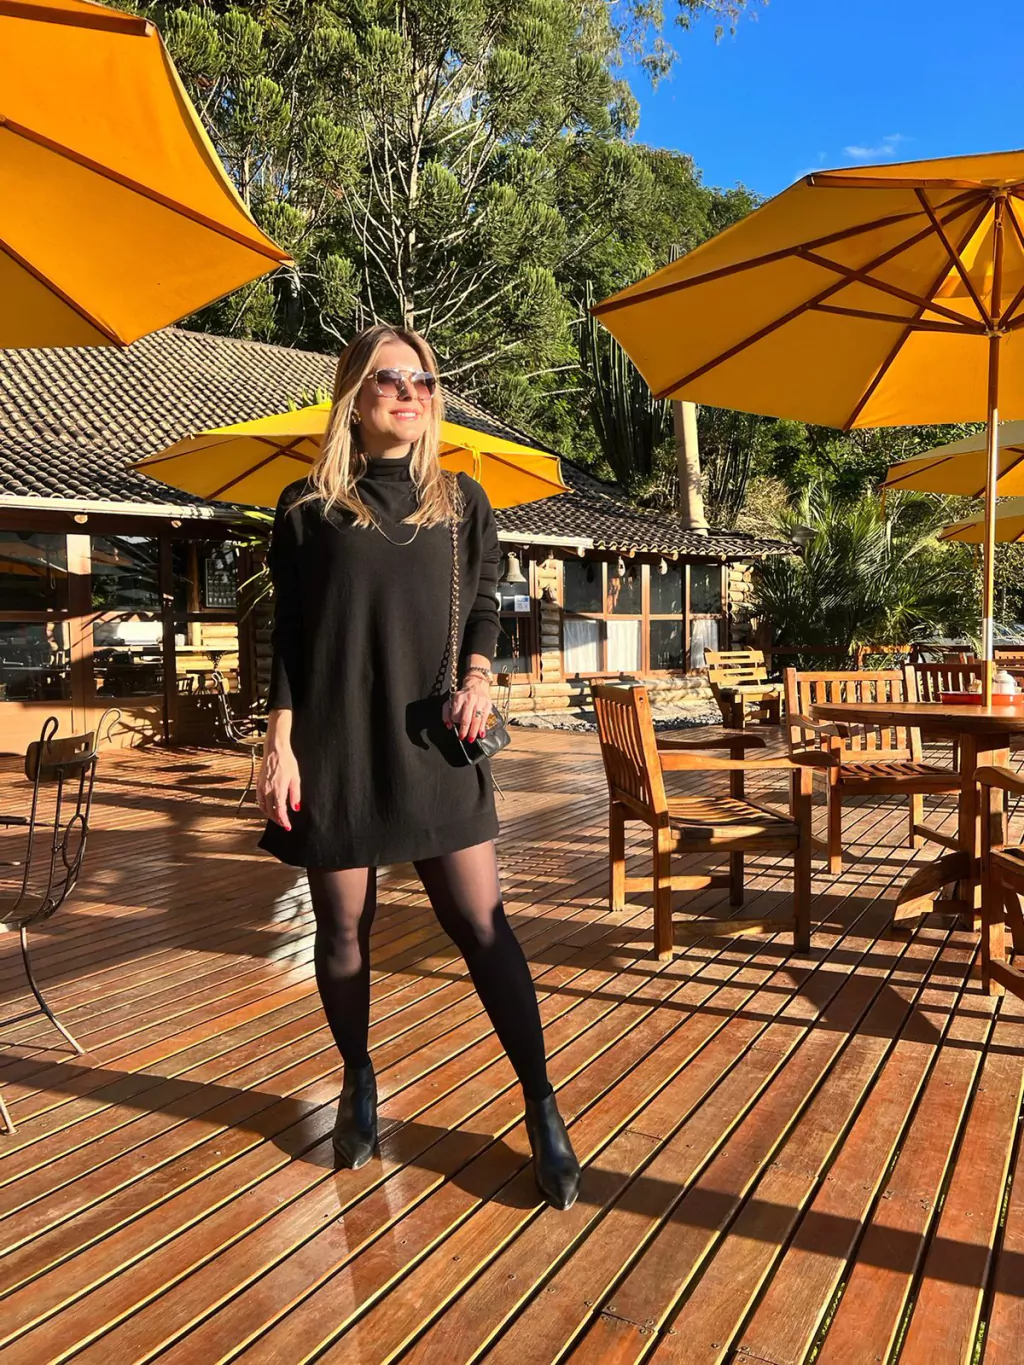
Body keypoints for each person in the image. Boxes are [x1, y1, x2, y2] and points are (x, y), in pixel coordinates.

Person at [256, 324, 580, 1210]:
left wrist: (479, 676)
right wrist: (278, 741)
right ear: (353, 397)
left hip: (433, 741)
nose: (411, 392)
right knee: (342, 930)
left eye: (424, 380)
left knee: (483, 925)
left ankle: (542, 1103)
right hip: (336, 745)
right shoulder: (304, 508)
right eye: (390, 378)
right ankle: (357, 1077)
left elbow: (484, 606)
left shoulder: (461, 501)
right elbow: (287, 636)